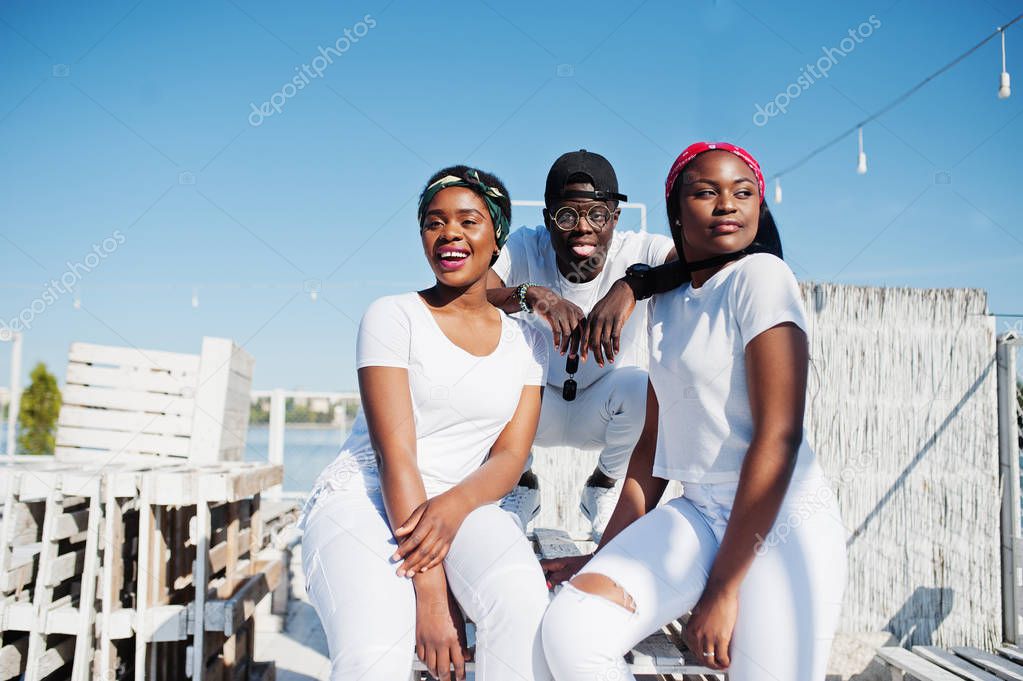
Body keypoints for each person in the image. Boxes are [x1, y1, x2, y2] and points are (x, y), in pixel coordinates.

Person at [539, 142, 847, 680]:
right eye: (706, 192)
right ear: (677, 213)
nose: (727, 203)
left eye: (743, 192)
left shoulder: (762, 278)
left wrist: (723, 589)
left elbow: (780, 438)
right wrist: (605, 554)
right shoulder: (668, 302)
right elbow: (651, 446)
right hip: (700, 511)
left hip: (779, 523)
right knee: (571, 631)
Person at [299, 165, 553, 681]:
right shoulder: (393, 316)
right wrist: (432, 595)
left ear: (497, 235)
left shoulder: (529, 342)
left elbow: (508, 458)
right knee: (375, 652)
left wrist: (454, 506)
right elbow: (397, 456)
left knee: (523, 605)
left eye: (468, 220)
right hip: (369, 498)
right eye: (434, 222)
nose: (449, 234)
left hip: (461, 502)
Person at [487, 149, 677, 540]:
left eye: (597, 214)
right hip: (534, 408)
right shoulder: (526, 245)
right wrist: (531, 295)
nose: (583, 228)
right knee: (496, 373)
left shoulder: (636, 249)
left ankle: (603, 487)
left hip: (601, 406)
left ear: (615, 218)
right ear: (547, 219)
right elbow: (476, 293)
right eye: (567, 215)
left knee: (644, 387)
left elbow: (693, 262)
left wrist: (632, 286)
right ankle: (521, 485)